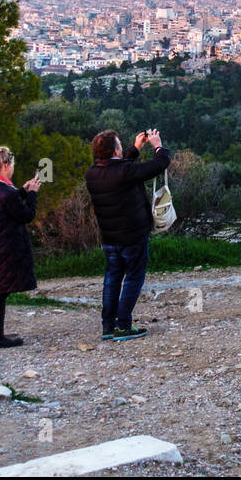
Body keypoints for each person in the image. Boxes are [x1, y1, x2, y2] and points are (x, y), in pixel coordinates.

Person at [85, 128, 170, 341]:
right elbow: (160, 164)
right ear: (115, 149)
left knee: (112, 279)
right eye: (120, 145)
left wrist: (135, 148)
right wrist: (158, 146)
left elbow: (119, 169)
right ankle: (123, 326)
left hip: (109, 238)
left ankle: (108, 326)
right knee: (133, 277)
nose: (122, 147)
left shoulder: (92, 174)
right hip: (133, 235)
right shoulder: (125, 172)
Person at [0, 146, 42, 349]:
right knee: (0, 291)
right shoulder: (7, 193)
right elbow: (26, 215)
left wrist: (22, 190)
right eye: (11, 165)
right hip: (4, 248)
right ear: (5, 165)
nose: (12, 169)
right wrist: (32, 194)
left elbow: (2, 203)